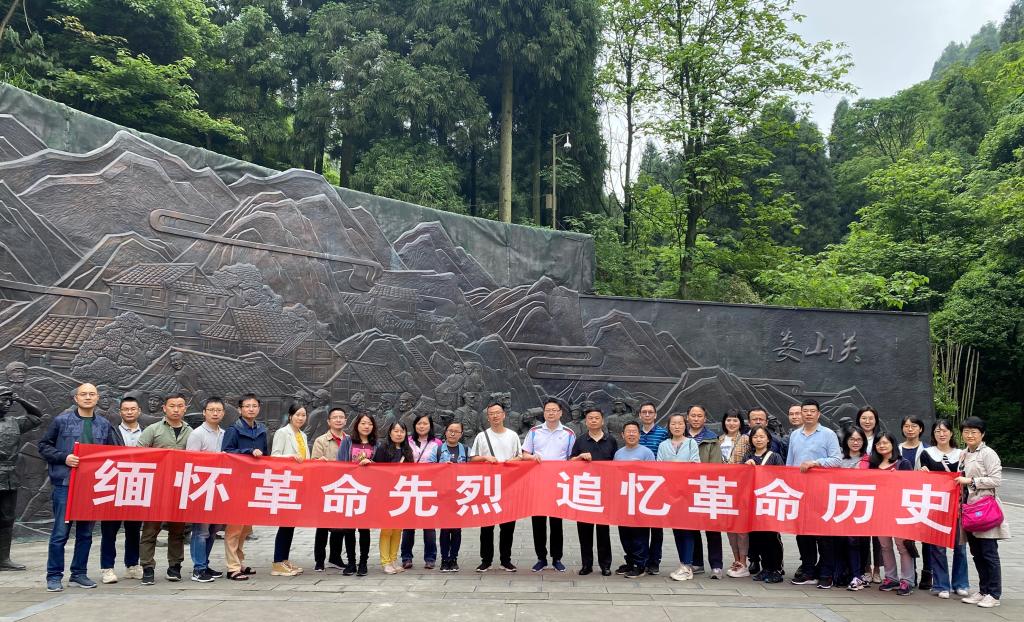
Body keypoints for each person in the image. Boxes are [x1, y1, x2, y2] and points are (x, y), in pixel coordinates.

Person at [40, 383, 118, 591]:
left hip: (91, 486)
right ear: (76, 398)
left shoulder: (104, 424)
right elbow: (44, 446)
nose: (87, 397)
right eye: (83, 394)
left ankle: (79, 573)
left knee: (85, 533)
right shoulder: (61, 421)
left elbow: (113, 453)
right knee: (60, 533)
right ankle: (54, 575)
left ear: (97, 398)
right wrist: (64, 457)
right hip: (65, 484)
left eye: (92, 394)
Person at [137, 393, 193, 585]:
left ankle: (175, 566)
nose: (176, 410)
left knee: (178, 530)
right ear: (164, 408)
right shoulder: (153, 430)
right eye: (172, 406)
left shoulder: (191, 432)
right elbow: (139, 453)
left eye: (180, 406)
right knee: (150, 530)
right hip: (156, 488)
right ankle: (147, 567)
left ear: (185, 408)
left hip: (179, 488)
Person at [786, 399, 841, 589]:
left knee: (823, 534)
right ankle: (808, 570)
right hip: (800, 492)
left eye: (812, 411)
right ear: (801, 413)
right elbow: (790, 463)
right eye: (805, 411)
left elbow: (836, 460)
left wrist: (816, 463)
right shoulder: (795, 435)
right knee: (802, 534)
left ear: (818, 414)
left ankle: (826, 573)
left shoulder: (828, 434)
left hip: (822, 491)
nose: (808, 414)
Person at [957, 416, 1009, 609]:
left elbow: (996, 480)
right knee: (976, 553)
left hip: (984, 509)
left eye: (974, 432)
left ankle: (994, 594)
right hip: (969, 509)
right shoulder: (964, 454)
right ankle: (983, 590)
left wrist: (971, 481)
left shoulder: (988, 453)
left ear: (982, 434)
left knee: (989, 553)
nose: (969, 435)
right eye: (966, 431)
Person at [522, 398, 575, 573]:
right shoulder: (534, 431)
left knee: (556, 523)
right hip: (537, 483)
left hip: (558, 484)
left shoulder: (568, 433)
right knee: (538, 523)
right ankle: (541, 558)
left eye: (554, 410)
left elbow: (571, 459)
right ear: (543, 413)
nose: (551, 413)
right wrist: (532, 457)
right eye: (548, 410)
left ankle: (557, 558)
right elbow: (524, 454)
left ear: (560, 413)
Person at [918, 419, 968, 599]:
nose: (942, 434)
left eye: (945, 430)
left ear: (951, 433)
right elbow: (924, 481)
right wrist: (922, 474)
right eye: (938, 431)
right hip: (937, 506)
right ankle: (941, 585)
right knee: (938, 547)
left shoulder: (962, 454)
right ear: (933, 434)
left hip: (958, 506)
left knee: (960, 547)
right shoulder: (927, 453)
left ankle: (960, 584)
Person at [470, 401, 523, 573]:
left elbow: (519, 457)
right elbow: (473, 458)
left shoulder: (513, 436)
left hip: (509, 485)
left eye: (497, 413)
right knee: (487, 525)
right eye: (491, 413)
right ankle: (486, 560)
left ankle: (505, 560)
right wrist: (485, 458)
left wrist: (510, 461)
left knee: (508, 526)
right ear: (488, 417)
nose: (495, 416)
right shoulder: (481, 436)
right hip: (488, 486)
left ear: (504, 415)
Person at [859, 432, 914, 596]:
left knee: (902, 546)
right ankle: (891, 578)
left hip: (900, 511)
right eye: (878, 443)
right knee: (885, 546)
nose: (882, 446)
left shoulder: (903, 463)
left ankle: (907, 580)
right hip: (879, 510)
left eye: (885, 443)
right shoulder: (873, 465)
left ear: (893, 444)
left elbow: (911, 486)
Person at [221, 393, 268, 581]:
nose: (251, 409)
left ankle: (239, 561)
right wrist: (248, 451)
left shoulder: (262, 430)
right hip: (237, 482)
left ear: (259, 408)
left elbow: (266, 456)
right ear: (240, 410)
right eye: (247, 406)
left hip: (253, 483)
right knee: (234, 527)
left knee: (246, 528)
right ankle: (232, 567)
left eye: (254, 406)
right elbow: (227, 453)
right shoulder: (233, 430)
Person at [98, 396, 145, 584]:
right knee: (109, 529)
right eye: (126, 409)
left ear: (139, 411)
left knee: (133, 529)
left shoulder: (147, 432)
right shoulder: (111, 432)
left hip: (137, 485)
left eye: (133, 409)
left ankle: (132, 565)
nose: (129, 412)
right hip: (114, 486)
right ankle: (107, 568)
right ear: (120, 412)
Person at [570, 407, 618, 576]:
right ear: (586, 421)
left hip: (604, 491)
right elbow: (570, 462)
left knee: (603, 531)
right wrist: (579, 457)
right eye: (590, 418)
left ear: (602, 421)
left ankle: (605, 565)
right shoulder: (580, 441)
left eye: (597, 418)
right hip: (585, 490)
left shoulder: (611, 440)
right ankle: (586, 565)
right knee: (584, 530)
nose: (593, 420)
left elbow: (617, 465)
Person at [0, 386, 43, 572]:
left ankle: (3, 559)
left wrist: (20, 400)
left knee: (7, 518)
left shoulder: (14, 422)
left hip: (9, 477)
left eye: (10, 400)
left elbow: (37, 416)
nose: (8, 403)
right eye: (4, 400)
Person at [184, 397, 227, 583]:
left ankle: (205, 563)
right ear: (204, 412)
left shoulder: (225, 434)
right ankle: (198, 568)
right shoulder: (197, 434)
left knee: (213, 529)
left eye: (218, 410)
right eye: (211, 410)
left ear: (223, 413)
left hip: (219, 489)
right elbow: (191, 462)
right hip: (202, 488)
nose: (215, 413)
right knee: (201, 531)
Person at [656, 413, 699, 582]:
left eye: (680, 423)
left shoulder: (691, 443)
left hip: (687, 493)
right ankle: (683, 564)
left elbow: (695, 465)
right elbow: (659, 467)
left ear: (685, 425)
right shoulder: (663, 445)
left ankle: (687, 565)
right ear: (669, 426)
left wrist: (674, 467)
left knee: (687, 529)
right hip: (670, 493)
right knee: (677, 530)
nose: (677, 426)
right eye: (673, 423)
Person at [269, 403, 309, 577]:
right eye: (297, 414)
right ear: (290, 416)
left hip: (298, 483)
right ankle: (277, 562)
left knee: (290, 523)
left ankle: (284, 560)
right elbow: (275, 456)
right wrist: (290, 457)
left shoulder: (302, 435)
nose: (300, 418)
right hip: (285, 482)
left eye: (303, 415)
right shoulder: (282, 433)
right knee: (285, 523)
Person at [614, 420, 656, 579]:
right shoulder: (618, 454)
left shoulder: (646, 453)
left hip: (640, 499)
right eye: (628, 432)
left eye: (634, 432)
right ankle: (630, 561)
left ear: (639, 435)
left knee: (639, 533)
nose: (631, 434)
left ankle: (640, 564)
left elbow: (653, 475)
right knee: (625, 533)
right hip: (624, 498)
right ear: (622, 435)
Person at [685, 404, 723, 578]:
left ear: (705, 418)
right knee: (692, 528)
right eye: (693, 415)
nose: (696, 419)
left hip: (707, 487)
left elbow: (716, 466)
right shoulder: (681, 436)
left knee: (712, 529)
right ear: (687, 417)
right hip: (687, 488)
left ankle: (716, 565)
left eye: (699, 415)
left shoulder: (712, 439)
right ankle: (697, 563)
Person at [400, 413, 442, 570]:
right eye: (419, 423)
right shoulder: (407, 441)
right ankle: (406, 557)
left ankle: (430, 558)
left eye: (425, 423)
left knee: (429, 525)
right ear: (414, 425)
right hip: (409, 486)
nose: (422, 426)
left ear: (430, 426)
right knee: (408, 525)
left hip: (429, 487)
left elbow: (441, 463)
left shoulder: (437, 443)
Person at [744, 425, 785, 584]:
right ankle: (766, 568)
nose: (758, 439)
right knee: (757, 537)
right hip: (754, 504)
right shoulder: (748, 457)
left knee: (772, 537)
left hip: (770, 502)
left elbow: (782, 477)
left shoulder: (775, 457)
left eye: (762, 436)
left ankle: (777, 568)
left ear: (768, 439)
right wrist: (745, 467)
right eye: (755, 437)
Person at [427, 420, 469, 572]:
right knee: (445, 529)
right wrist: (441, 467)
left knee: (456, 529)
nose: (453, 433)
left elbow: (473, 470)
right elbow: (428, 468)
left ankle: (454, 559)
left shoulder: (466, 450)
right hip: (443, 495)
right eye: (450, 430)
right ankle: (445, 559)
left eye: (456, 431)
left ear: (461, 434)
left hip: (459, 495)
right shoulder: (438, 449)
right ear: (445, 432)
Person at [338, 412, 377, 576]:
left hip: (367, 492)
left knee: (364, 529)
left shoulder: (376, 444)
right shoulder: (347, 441)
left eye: (369, 423)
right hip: (350, 489)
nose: (366, 426)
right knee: (349, 529)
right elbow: (340, 464)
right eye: (363, 423)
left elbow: (381, 468)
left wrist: (372, 463)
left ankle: (363, 562)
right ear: (357, 425)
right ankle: (351, 562)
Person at [311, 406, 349, 573]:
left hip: (344, 487)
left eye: (341, 417)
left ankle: (335, 557)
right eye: (335, 417)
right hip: (326, 488)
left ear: (346, 421)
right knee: (322, 525)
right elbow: (314, 463)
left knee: (340, 526)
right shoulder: (321, 441)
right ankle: (319, 560)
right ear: (329, 421)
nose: (338, 420)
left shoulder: (350, 440)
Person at [374, 421, 414, 574]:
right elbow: (376, 470)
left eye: (402, 431)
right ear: (390, 433)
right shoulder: (383, 449)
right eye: (396, 431)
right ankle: (385, 562)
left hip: (401, 494)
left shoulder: (407, 450)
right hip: (386, 494)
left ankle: (393, 559)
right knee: (387, 529)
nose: (399, 434)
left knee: (398, 529)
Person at [897, 415, 929, 589]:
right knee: (907, 538)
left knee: (926, 538)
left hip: (922, 498)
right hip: (902, 499)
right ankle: (911, 574)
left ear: (921, 429)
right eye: (906, 426)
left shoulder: (928, 450)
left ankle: (927, 573)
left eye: (914, 426)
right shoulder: (896, 449)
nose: (910, 429)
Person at [637, 401, 668, 575]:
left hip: (657, 484)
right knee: (640, 525)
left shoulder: (663, 433)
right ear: (640, 415)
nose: (647, 415)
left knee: (656, 526)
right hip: (639, 485)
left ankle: (654, 561)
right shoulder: (635, 432)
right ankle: (640, 558)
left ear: (655, 415)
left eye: (650, 412)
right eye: (644, 412)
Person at [719, 409, 750, 578]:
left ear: (740, 423)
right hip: (725, 488)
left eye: (735, 420)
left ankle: (744, 562)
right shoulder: (719, 439)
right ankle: (736, 560)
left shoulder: (745, 439)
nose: (731, 423)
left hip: (741, 488)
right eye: (729, 420)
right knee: (730, 526)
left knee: (741, 527)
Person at [838, 426, 869, 591]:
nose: (855, 442)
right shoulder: (838, 459)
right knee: (845, 541)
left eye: (859, 439)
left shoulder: (870, 461)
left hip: (863, 506)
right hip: (842, 506)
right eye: (852, 439)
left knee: (857, 541)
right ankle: (848, 573)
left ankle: (858, 574)